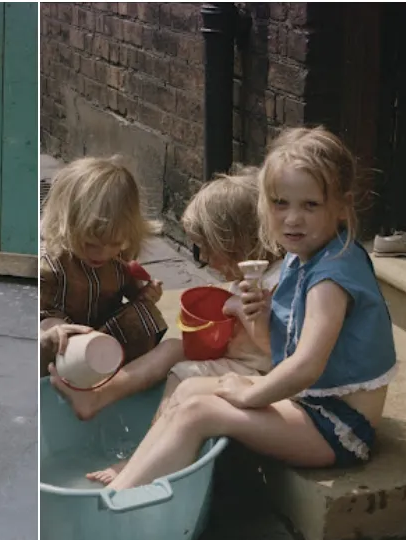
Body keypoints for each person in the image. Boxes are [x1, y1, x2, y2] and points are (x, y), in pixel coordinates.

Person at [101, 126, 396, 491]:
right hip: (309, 405)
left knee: (198, 412)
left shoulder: (331, 279)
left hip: (337, 426)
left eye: (310, 205)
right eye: (280, 203)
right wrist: (258, 317)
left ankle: (116, 504)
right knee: (188, 391)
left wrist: (249, 392)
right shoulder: (299, 257)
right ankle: (135, 475)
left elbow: (306, 366)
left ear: (341, 207)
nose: (292, 218)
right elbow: (277, 350)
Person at [48, 166, 281, 485]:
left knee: (183, 374)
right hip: (239, 356)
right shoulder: (252, 278)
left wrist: (239, 312)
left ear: (237, 244)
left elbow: (277, 350)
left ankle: (140, 456)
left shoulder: (270, 285)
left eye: (208, 250)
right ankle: (97, 396)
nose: (205, 261)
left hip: (257, 371)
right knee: (173, 346)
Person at [39, 156, 165, 376]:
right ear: (66, 226)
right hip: (69, 341)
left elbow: (134, 295)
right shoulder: (53, 263)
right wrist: (55, 330)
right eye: (91, 244)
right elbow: (42, 314)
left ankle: (131, 374)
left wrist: (146, 294)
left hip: (105, 335)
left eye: (114, 244)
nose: (102, 253)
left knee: (145, 315)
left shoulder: (120, 259)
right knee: (51, 343)